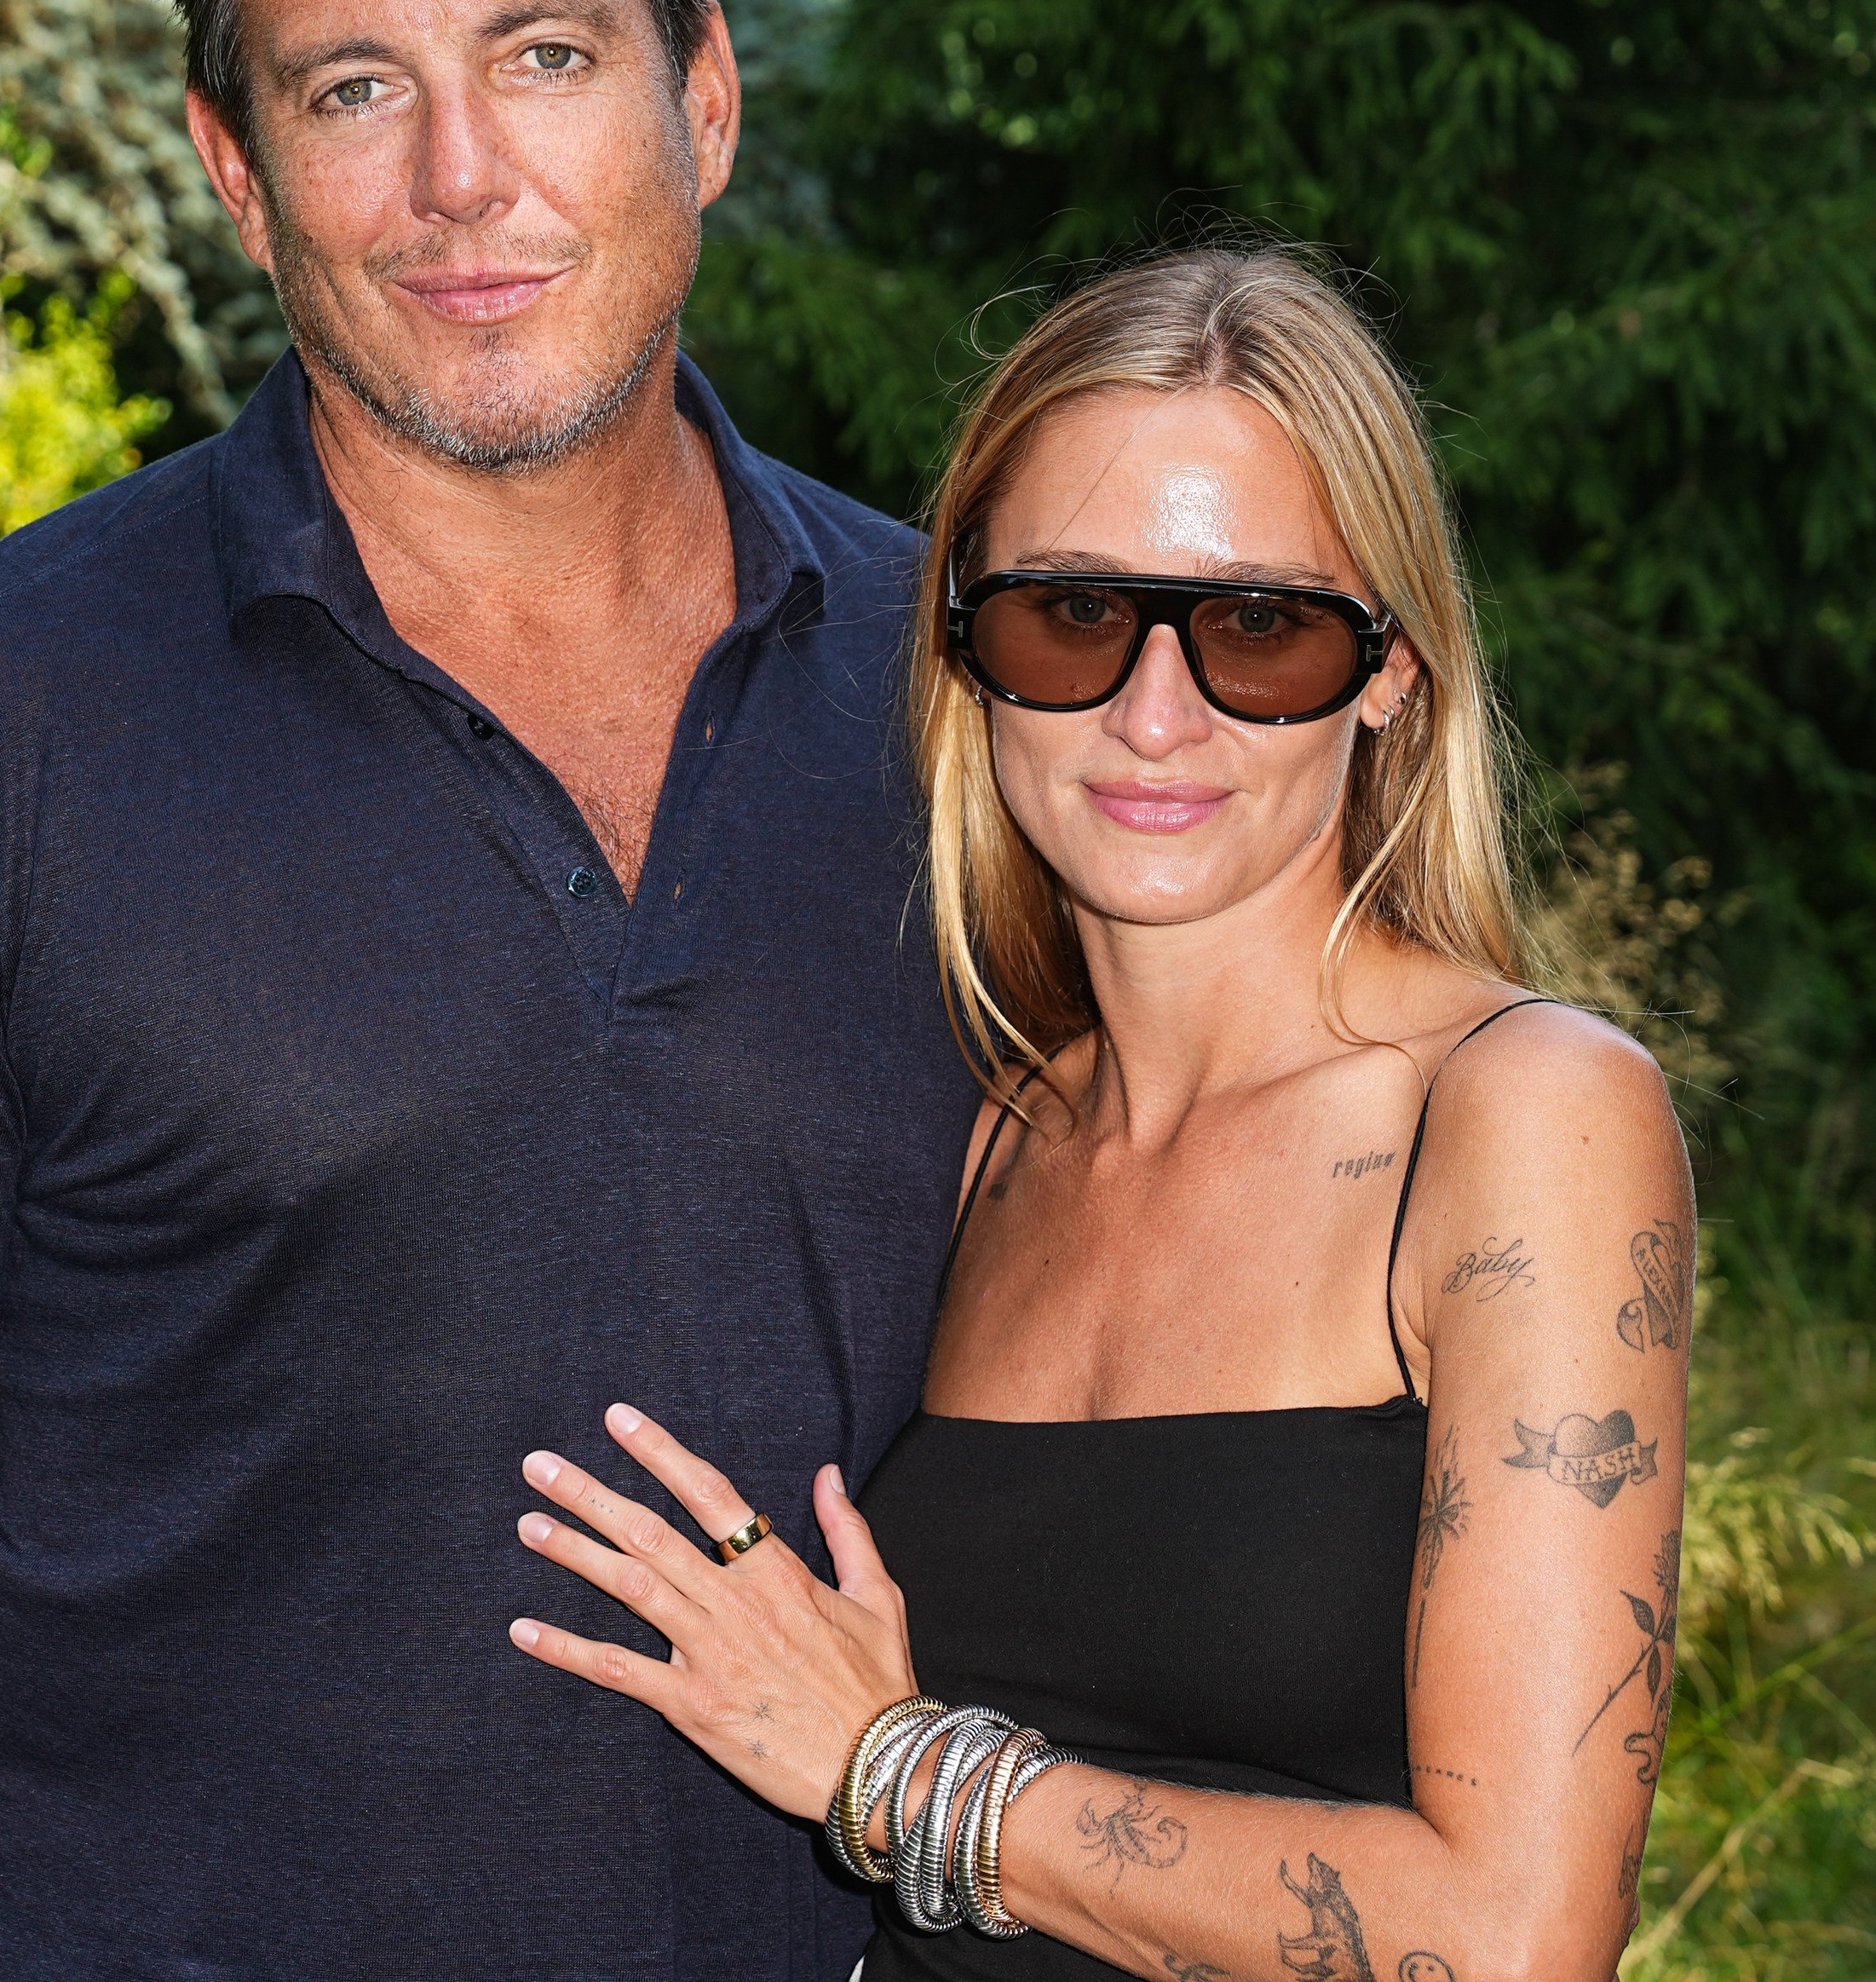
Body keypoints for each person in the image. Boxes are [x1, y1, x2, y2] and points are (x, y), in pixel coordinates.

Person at [0, 0, 970, 1980]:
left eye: (547, 56)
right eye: (355, 87)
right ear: (234, 166)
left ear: (708, 91)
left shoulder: (992, 711)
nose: (462, 177)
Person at [509, 249, 1694, 1981]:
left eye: (1258, 630)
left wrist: (890, 1768)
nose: (1154, 714)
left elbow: (1517, 1938)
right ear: (968, 656)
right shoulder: (998, 1140)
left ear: (1392, 676)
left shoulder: (1522, 1118)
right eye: (1068, 616)